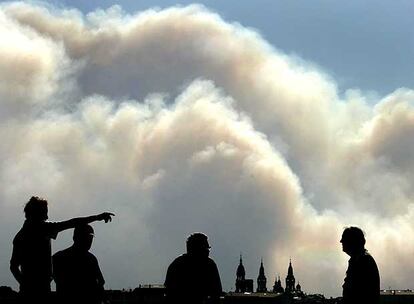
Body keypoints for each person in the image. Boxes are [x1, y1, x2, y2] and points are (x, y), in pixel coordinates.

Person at [10, 196, 114, 303]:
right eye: (44, 213)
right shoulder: (36, 232)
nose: (47, 216)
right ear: (36, 214)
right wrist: (97, 217)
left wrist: (25, 284)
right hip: (34, 292)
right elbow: (71, 223)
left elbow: (13, 266)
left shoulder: (23, 236)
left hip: (39, 289)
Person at [53, 224, 105, 304]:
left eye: (90, 237)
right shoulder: (91, 259)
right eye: (86, 237)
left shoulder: (59, 257)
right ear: (75, 238)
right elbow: (100, 282)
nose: (89, 240)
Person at [164, 232, 222, 304]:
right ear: (197, 249)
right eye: (206, 248)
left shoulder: (177, 264)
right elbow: (217, 292)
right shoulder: (210, 265)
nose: (208, 251)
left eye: (208, 248)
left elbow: (168, 291)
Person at [341, 226, 380, 304]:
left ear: (352, 241)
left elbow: (358, 291)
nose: (341, 241)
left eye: (344, 238)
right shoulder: (358, 259)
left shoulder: (363, 261)